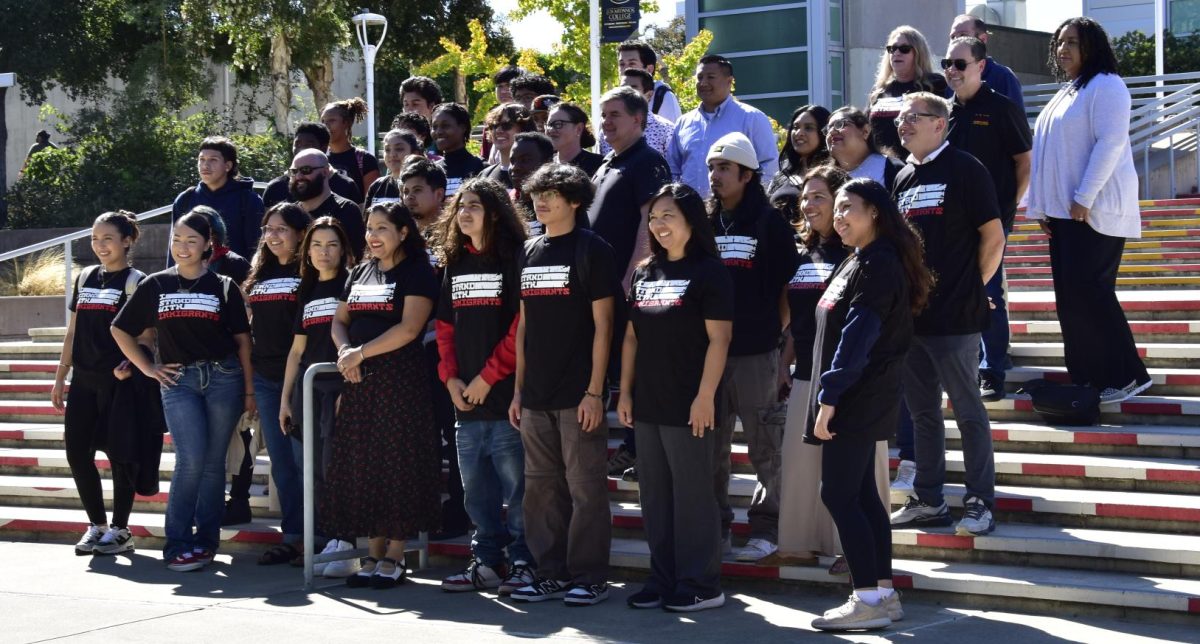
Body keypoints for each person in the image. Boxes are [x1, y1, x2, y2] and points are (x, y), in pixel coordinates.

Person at [808, 178, 931, 632]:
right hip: (857, 392)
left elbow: (859, 336)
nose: (838, 216)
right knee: (861, 494)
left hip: (858, 394)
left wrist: (830, 397)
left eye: (848, 208)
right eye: (836, 208)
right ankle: (882, 591)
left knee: (838, 493)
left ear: (875, 212)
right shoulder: (857, 260)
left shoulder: (878, 264)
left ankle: (867, 599)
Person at [887, 92, 1004, 538]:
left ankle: (979, 501)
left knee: (968, 410)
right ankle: (929, 499)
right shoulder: (902, 178)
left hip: (955, 317)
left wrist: (973, 286)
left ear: (940, 123)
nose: (903, 125)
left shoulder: (967, 169)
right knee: (922, 414)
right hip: (912, 319)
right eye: (900, 118)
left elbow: (993, 237)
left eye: (912, 117)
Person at [111, 210, 254, 572]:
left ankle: (206, 543)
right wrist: (148, 368)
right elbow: (120, 329)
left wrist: (250, 391)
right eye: (177, 239)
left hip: (224, 377)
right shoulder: (156, 284)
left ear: (209, 245)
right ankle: (177, 542)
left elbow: (243, 342)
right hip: (178, 381)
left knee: (213, 463)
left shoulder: (223, 286)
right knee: (190, 461)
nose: (182, 247)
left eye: (192, 240)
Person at [616, 183, 733, 612]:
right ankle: (663, 578)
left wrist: (705, 397)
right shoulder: (646, 271)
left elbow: (719, 341)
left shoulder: (710, 272)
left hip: (691, 403)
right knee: (656, 497)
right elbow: (630, 338)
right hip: (648, 401)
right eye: (654, 217)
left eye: (669, 216)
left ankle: (701, 583)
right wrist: (625, 392)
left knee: (692, 496)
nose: (659, 225)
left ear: (690, 222)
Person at [1024, 17, 1151, 404]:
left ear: (1092, 46)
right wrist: (1043, 205)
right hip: (1066, 216)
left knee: (1093, 294)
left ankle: (1128, 375)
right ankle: (1088, 378)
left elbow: (1110, 143)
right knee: (1071, 299)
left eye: (1073, 42)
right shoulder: (1068, 91)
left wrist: (1084, 196)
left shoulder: (1107, 85)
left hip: (1094, 212)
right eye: (1060, 42)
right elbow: (1049, 154)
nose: (1063, 49)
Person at [772, 165, 890, 573]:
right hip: (805, 371)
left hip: (848, 383)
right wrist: (785, 360)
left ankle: (854, 555)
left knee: (853, 483)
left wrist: (837, 387)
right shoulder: (805, 252)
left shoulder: (858, 256)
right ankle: (802, 543)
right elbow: (805, 316)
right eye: (806, 197)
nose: (810, 205)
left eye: (821, 196)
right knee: (805, 469)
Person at [508, 163, 615, 606]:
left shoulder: (594, 250)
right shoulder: (529, 250)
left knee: (585, 485)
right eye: (537, 193)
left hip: (578, 393)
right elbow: (524, 326)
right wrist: (517, 390)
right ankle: (549, 571)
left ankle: (589, 576)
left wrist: (595, 391)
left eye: (552, 193)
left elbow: (605, 326)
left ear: (574, 200)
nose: (542, 200)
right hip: (534, 393)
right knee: (540, 487)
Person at [324, 202, 443, 589]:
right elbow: (339, 321)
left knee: (398, 467)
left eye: (383, 229)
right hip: (359, 383)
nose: (373, 236)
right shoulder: (360, 271)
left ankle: (394, 556)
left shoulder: (418, 272)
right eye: (369, 229)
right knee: (365, 467)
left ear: (403, 232)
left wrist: (360, 353)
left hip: (400, 382)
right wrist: (346, 353)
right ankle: (372, 554)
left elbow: (409, 329)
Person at [433, 178, 535, 595]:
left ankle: (525, 562)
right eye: (460, 206)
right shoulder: (454, 263)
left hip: (504, 398)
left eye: (474, 205)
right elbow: (443, 328)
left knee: (519, 492)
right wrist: (451, 379)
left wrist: (488, 376)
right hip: (465, 401)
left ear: (494, 213)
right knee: (477, 494)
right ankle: (487, 561)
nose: (464, 213)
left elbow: (520, 327)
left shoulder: (514, 258)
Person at [705, 132, 800, 563]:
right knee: (712, 445)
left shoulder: (769, 222)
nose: (715, 176)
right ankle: (717, 527)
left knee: (765, 445)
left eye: (724, 168)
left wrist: (776, 342)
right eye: (711, 168)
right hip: (709, 356)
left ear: (746, 175)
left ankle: (767, 527)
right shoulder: (704, 222)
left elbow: (788, 287)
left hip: (756, 353)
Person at [944, 36, 1032, 402]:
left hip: (989, 222)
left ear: (981, 66)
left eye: (960, 64)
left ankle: (992, 368)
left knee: (989, 291)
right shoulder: (943, 112)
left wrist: (1006, 210)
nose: (951, 71)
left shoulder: (1001, 108)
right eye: (947, 63)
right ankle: (963, 366)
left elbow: (1024, 162)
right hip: (950, 223)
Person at [55, 211, 148, 556]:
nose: (100, 245)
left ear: (127, 241)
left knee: (121, 456)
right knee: (77, 454)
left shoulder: (136, 281)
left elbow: (148, 334)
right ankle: (97, 525)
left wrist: (133, 364)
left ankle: (121, 529)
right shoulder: (85, 277)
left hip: (119, 384)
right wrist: (60, 376)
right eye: (95, 238)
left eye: (108, 238)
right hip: (84, 381)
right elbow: (73, 331)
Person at [279, 216, 357, 577]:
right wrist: (285, 400)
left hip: (339, 391)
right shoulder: (306, 291)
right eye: (316, 245)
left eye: (332, 245)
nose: (323, 253)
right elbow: (296, 352)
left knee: (335, 467)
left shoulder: (352, 286)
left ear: (343, 250)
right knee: (313, 471)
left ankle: (346, 542)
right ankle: (327, 541)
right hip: (307, 394)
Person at [243, 202, 312, 565]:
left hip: (302, 377)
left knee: (305, 462)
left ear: (301, 234)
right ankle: (294, 536)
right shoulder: (260, 273)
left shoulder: (311, 271)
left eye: (281, 229)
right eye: (268, 229)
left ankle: (319, 537)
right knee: (282, 464)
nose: (272, 235)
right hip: (267, 378)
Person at [589, 86, 673, 288]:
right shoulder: (607, 162)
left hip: (623, 284)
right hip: (596, 282)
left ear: (637, 119)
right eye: (604, 115)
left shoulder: (648, 161)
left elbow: (652, 224)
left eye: (614, 114)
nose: (606, 122)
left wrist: (632, 279)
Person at [667, 55, 778, 197]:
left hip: (736, 211)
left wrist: (754, 200)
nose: (703, 83)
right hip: (689, 212)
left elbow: (769, 164)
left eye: (711, 77)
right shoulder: (684, 122)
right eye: (700, 77)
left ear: (729, 82)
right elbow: (673, 169)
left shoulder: (751, 118)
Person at [170, 136, 265, 260]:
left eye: (213, 160)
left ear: (228, 165)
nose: (205, 165)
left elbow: (256, 250)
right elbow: (175, 248)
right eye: (201, 159)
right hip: (193, 277)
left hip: (238, 275)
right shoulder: (185, 200)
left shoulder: (248, 200)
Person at [866, 26, 951, 158]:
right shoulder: (879, 90)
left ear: (918, 53)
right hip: (883, 169)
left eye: (904, 49)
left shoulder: (935, 84)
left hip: (919, 164)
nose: (896, 53)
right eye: (892, 49)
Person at [262, 123, 364, 208]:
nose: (301, 149)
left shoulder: (345, 186)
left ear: (324, 148)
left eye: (308, 145)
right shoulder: (275, 187)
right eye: (297, 144)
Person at [288, 149, 366, 258]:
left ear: (325, 172)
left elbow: (355, 258)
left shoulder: (347, 210)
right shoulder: (289, 214)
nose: (299, 176)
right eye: (294, 171)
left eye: (306, 170)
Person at [948, 15, 1025, 113]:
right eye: (953, 37)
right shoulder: (951, 78)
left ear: (983, 39)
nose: (957, 41)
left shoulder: (1003, 77)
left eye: (963, 35)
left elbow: (1017, 123)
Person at [825, 107, 903, 191]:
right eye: (828, 129)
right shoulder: (826, 178)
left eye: (840, 124)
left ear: (865, 131)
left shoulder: (893, 169)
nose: (832, 132)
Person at [599, 70, 674, 157]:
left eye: (632, 89)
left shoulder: (666, 129)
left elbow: (673, 167)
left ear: (649, 95)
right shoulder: (607, 131)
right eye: (623, 89)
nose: (626, 94)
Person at [321, 98, 381, 198]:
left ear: (347, 123)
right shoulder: (319, 158)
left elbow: (371, 202)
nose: (325, 125)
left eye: (331, 120)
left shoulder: (365, 159)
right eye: (323, 121)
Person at [768, 105, 832, 199]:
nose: (799, 133)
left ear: (824, 132)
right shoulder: (782, 175)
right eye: (795, 127)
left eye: (809, 128)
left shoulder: (834, 175)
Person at [618, 40, 682, 122]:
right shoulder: (614, 98)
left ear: (649, 69)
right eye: (621, 64)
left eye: (632, 64)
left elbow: (673, 133)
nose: (625, 69)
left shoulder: (662, 97)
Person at [432, 102, 485, 199]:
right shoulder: (432, 170)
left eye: (445, 126)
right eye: (434, 127)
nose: (438, 132)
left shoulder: (480, 167)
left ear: (463, 128)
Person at [479, 103, 536, 189]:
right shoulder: (485, 175)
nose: (498, 130)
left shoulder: (536, 173)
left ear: (524, 129)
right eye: (494, 126)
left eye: (506, 125)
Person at [510, 132, 557, 236]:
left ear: (547, 163)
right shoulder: (506, 206)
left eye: (525, 160)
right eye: (512, 161)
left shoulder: (560, 208)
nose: (514, 167)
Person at [365, 129, 422, 207]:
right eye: (387, 150)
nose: (392, 154)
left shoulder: (423, 185)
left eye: (399, 149)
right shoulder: (377, 186)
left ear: (415, 153)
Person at [482, 66, 528, 162]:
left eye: (508, 86)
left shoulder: (529, 118)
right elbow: (485, 157)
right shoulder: (492, 121)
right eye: (500, 86)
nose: (503, 91)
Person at [546, 102, 604, 177]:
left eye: (558, 124)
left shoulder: (599, 165)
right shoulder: (544, 163)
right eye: (549, 125)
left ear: (578, 129)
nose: (551, 130)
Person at [400, 157, 450, 235]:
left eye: (417, 190)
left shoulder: (454, 235)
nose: (409, 196)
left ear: (439, 195)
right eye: (406, 192)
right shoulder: (400, 236)